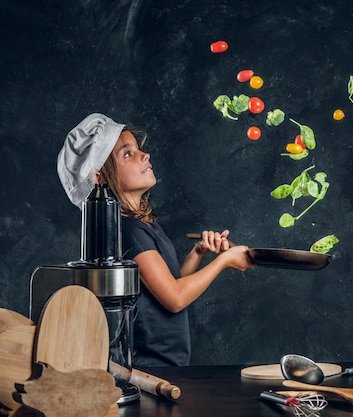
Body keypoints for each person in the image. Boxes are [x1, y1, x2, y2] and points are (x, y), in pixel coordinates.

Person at [57, 113, 254, 367]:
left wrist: (198, 253)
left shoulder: (141, 226)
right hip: (151, 370)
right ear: (100, 177)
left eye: (139, 150)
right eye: (127, 154)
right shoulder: (128, 231)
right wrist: (224, 261)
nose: (145, 155)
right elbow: (174, 299)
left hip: (168, 366)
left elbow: (166, 286)